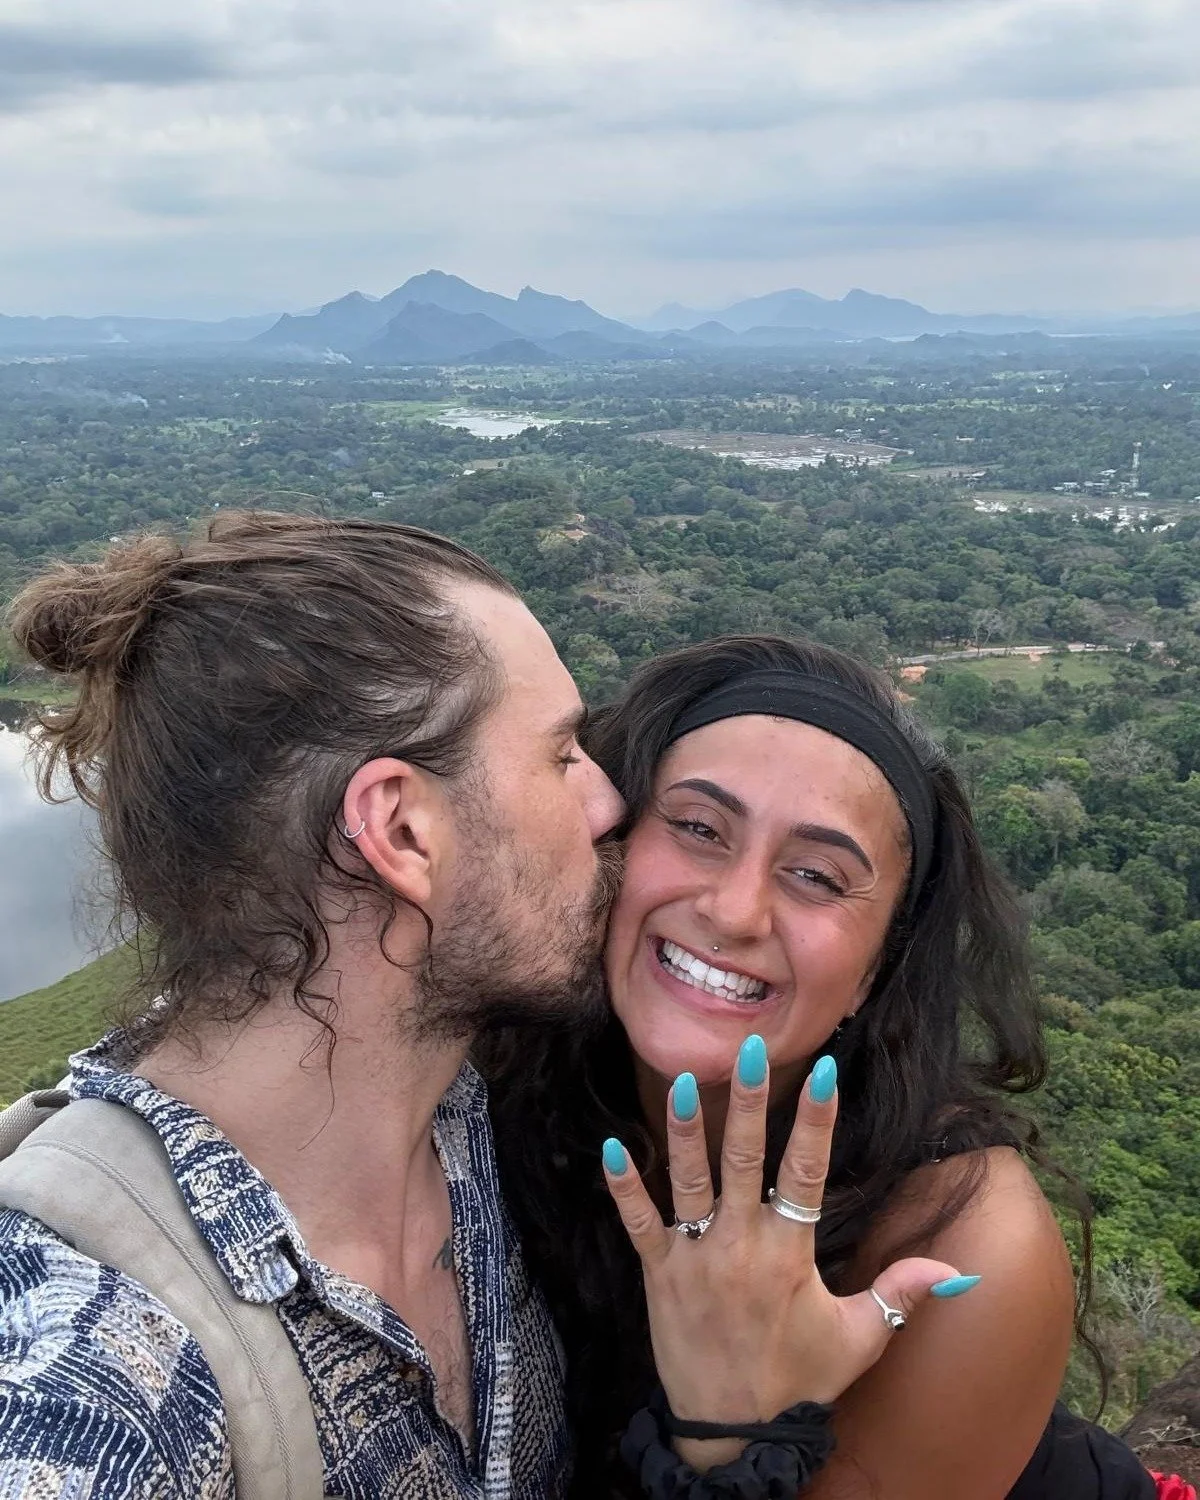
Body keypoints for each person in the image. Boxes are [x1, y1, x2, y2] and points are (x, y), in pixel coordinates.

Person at [0, 511, 629, 1496]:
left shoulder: (491, 1131)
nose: (605, 802)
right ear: (403, 833)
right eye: (559, 757)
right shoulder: (93, 1374)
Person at [483, 633, 1190, 1499]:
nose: (736, 910)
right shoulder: (498, 1076)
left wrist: (727, 1431)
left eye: (817, 877)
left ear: (875, 971)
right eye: (699, 827)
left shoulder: (957, 1245)